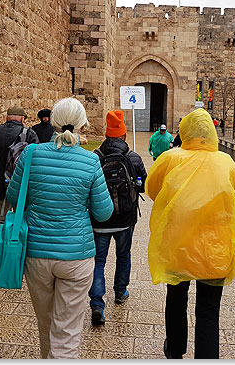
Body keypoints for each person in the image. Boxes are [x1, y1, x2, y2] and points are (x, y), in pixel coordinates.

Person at [6, 97, 113, 359]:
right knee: (67, 330)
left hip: (37, 252)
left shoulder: (31, 154)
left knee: (46, 324)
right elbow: (103, 212)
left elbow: (13, 196)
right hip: (76, 254)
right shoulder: (90, 162)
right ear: (82, 124)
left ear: (52, 122)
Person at [146, 108, 235, 359]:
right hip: (215, 248)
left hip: (179, 244)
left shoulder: (170, 158)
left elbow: (153, 189)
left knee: (176, 299)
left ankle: (175, 349)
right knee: (209, 310)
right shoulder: (226, 162)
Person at [89, 110, 147, 326]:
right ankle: (120, 292)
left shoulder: (95, 158)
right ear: (123, 136)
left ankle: (97, 303)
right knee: (123, 256)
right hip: (125, 220)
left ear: (106, 135)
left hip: (99, 220)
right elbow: (143, 184)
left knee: (98, 261)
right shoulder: (133, 158)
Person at [0, 106, 38, 274]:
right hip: (21, 187)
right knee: (21, 222)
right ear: (22, 118)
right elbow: (36, 160)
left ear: (7, 117)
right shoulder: (29, 134)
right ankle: (18, 261)